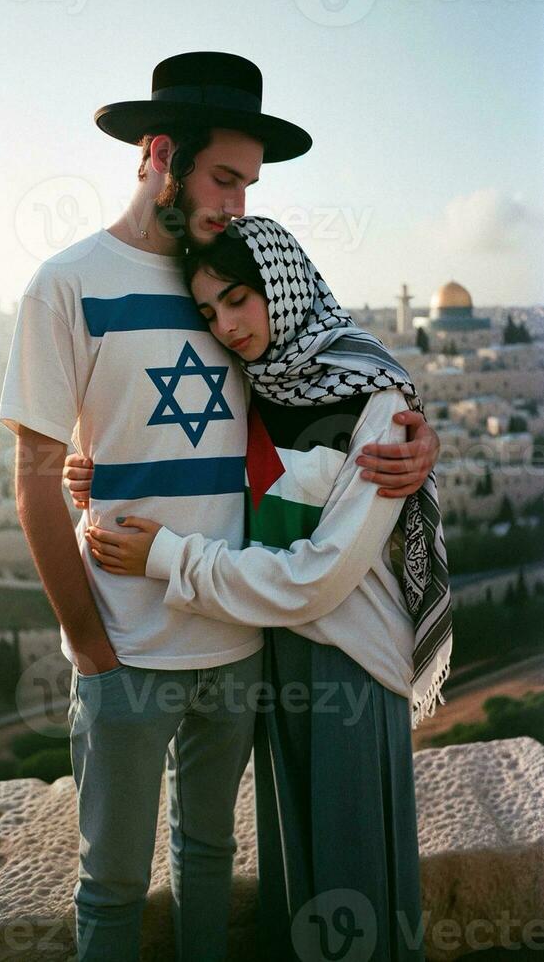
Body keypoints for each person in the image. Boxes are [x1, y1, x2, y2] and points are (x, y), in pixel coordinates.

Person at [0, 50, 440, 962]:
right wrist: (90, 647)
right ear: (158, 153)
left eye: (248, 185)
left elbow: (325, 381)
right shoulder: (66, 284)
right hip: (125, 648)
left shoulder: (229, 282)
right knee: (111, 887)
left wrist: (418, 434)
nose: (236, 203)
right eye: (224, 178)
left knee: (209, 859)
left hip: (238, 648)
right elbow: (39, 469)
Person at [64, 217, 453, 961]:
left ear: (279, 284)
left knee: (352, 891)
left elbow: (320, 577)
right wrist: (84, 471)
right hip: (271, 654)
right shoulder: (250, 387)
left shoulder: (374, 401)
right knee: (295, 889)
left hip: (349, 664)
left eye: (238, 299)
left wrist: (167, 560)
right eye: (209, 312)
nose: (228, 325)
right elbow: (167, 444)